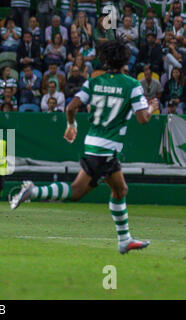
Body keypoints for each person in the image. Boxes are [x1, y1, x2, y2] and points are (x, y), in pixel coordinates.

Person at [10, 40, 160, 254]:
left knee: (120, 190)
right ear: (125, 60)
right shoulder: (132, 85)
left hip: (94, 144)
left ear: (105, 60)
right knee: (77, 191)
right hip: (106, 149)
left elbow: (71, 106)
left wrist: (71, 125)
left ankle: (124, 240)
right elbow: (143, 119)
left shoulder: (94, 82)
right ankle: (33, 191)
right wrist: (152, 107)